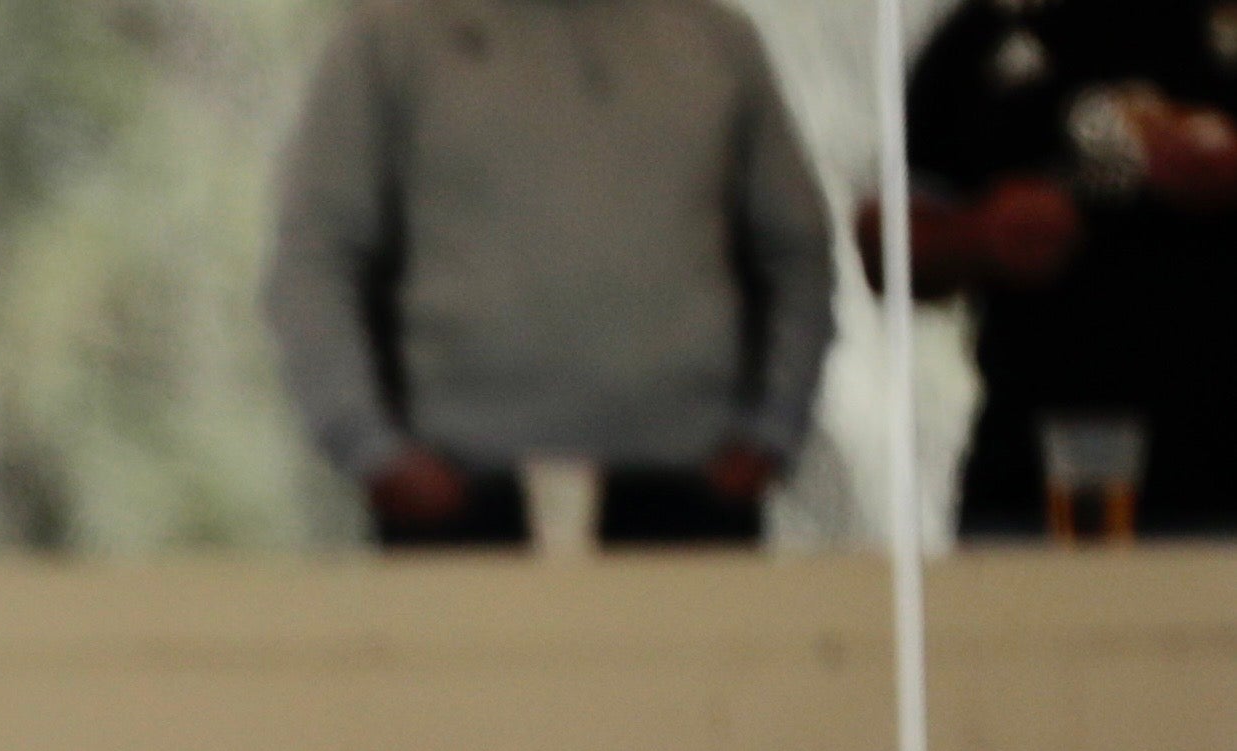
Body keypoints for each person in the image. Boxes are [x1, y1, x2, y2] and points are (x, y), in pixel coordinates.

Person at [265, 0, 834, 548]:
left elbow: (796, 246)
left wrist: (771, 434)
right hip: (457, 493)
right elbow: (318, 253)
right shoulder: (389, 37)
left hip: (689, 489)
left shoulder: (715, 38)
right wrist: (370, 447)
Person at [899, 0, 1237, 540]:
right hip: (1034, 473)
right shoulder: (985, 32)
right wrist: (978, 235)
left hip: (1220, 466)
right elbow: (886, 248)